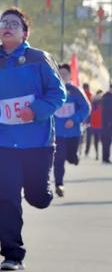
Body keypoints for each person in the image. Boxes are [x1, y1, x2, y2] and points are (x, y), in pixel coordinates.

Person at [0, 7, 66, 271]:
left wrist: (34, 111)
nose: (8, 26)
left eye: (14, 23)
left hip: (38, 142)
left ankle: (41, 191)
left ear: (25, 33)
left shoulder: (39, 59)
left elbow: (58, 94)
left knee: (38, 198)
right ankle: (12, 254)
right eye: (3, 23)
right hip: (4, 143)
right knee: (7, 197)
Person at [53, 63, 90, 197]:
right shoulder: (52, 91)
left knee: (71, 157)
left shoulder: (75, 91)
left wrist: (74, 119)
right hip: (57, 134)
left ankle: (74, 157)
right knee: (59, 160)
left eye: (65, 74)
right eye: (60, 74)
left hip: (73, 133)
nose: (62, 76)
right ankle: (59, 184)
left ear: (69, 75)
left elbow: (86, 108)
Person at [85, 90, 103, 159]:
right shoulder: (99, 106)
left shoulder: (92, 105)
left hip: (93, 125)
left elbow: (89, 115)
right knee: (94, 140)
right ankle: (95, 153)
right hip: (96, 125)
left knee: (91, 139)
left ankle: (94, 153)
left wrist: (87, 122)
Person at [100, 84, 112, 164]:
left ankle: (105, 157)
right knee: (107, 141)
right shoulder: (108, 98)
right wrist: (109, 122)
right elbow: (107, 112)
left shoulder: (105, 97)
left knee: (106, 141)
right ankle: (105, 158)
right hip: (107, 123)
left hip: (105, 123)